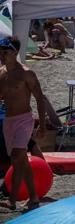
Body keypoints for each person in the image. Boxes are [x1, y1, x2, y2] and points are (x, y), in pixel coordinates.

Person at [0, 37, 47, 211]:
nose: (2, 55)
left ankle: (12, 200)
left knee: (17, 157)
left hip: (24, 119)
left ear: (15, 52)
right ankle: (34, 197)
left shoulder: (26, 73)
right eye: (0, 52)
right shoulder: (1, 73)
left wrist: (42, 125)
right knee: (20, 160)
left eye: (6, 52)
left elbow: (40, 99)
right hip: (8, 120)